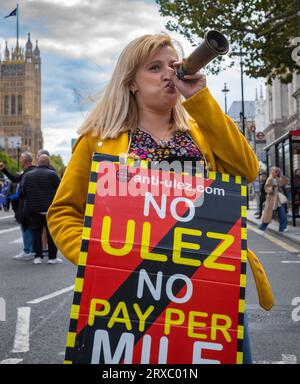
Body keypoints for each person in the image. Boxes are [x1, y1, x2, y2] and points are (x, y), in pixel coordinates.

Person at [47, 33, 272, 363]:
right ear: (132, 83)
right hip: (129, 293)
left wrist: (200, 98)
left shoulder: (200, 130)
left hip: (207, 290)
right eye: (154, 67)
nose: (170, 73)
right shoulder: (99, 138)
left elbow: (248, 170)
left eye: (173, 65)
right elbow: (64, 211)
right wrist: (97, 259)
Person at [22, 154, 62, 264]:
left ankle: (37, 257)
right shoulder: (52, 175)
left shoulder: (29, 175)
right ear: (48, 164)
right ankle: (52, 258)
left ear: (38, 163)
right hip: (49, 209)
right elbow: (60, 190)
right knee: (51, 234)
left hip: (34, 209)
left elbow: (23, 191)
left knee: (36, 234)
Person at [0, 152, 36, 260]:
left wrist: (16, 196)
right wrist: (4, 169)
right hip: (29, 204)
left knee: (25, 226)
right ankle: (32, 250)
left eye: (21, 158)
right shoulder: (28, 171)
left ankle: (27, 251)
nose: (19, 160)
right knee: (29, 226)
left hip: (26, 204)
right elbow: (15, 179)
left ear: (25, 161)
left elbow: (23, 188)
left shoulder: (28, 173)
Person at [259, 166, 288, 233]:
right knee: (268, 215)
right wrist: (272, 188)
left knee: (282, 213)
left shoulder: (278, 178)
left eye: (277, 171)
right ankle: (262, 227)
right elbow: (266, 189)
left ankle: (282, 228)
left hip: (278, 200)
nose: (276, 172)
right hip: (271, 199)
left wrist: (281, 175)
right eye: (275, 171)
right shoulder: (270, 179)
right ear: (272, 171)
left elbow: (285, 182)